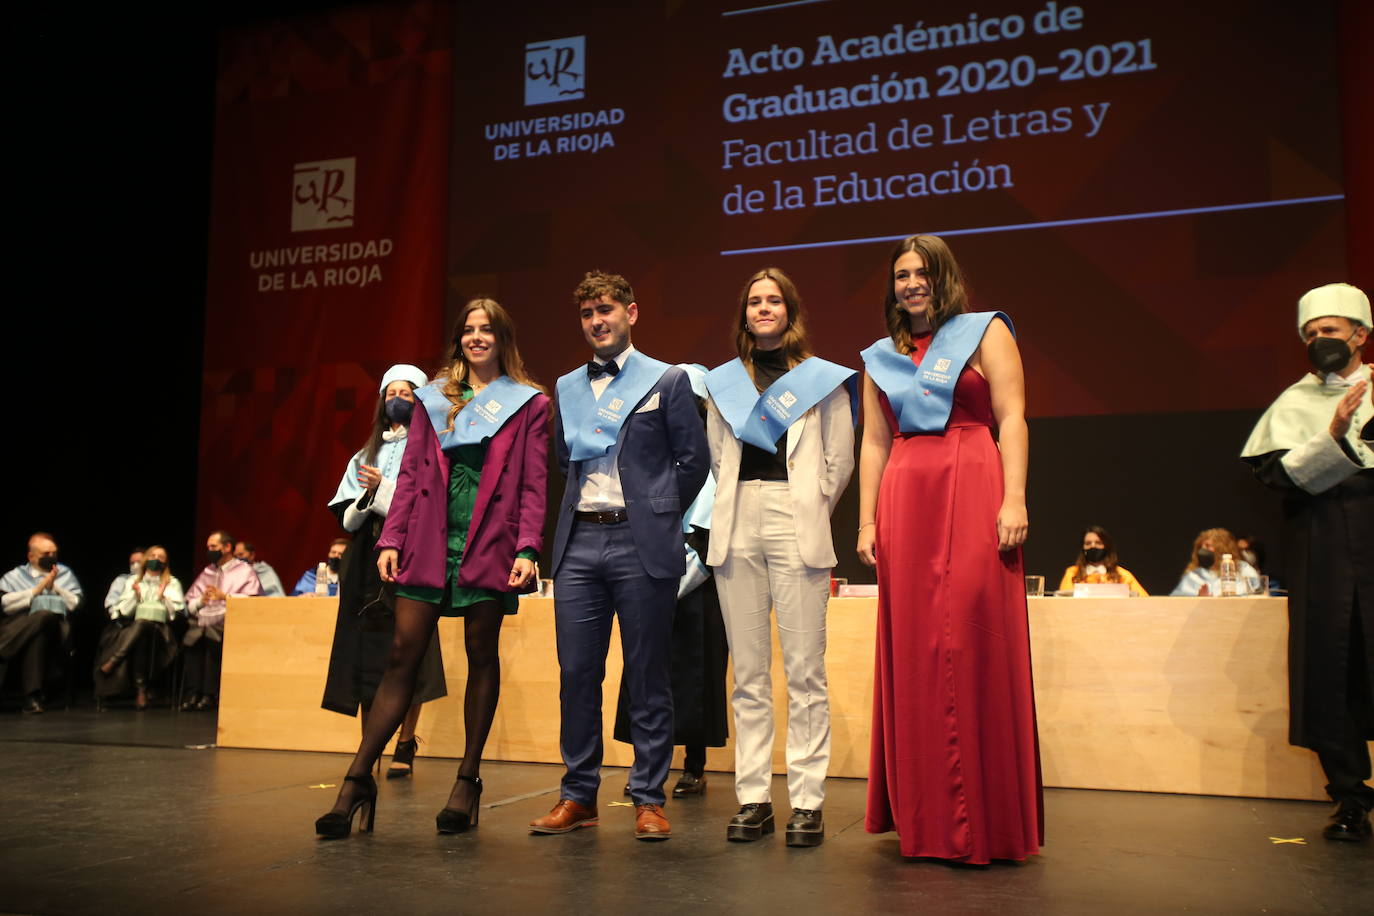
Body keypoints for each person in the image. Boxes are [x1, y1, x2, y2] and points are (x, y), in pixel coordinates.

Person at [315, 298, 548, 839]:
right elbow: (416, 469)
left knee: (481, 654)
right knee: (402, 655)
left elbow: (535, 484)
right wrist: (391, 537)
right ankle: (357, 781)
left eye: (486, 329)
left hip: (489, 537)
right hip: (427, 535)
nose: (475, 337)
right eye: (467, 329)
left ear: (503, 337)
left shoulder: (530, 403)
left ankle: (467, 781)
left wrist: (528, 548)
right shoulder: (431, 399)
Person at [857, 234, 1042, 863]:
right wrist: (864, 522)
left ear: (945, 278)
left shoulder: (985, 332)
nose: (912, 283)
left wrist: (1014, 498)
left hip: (974, 479)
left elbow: (1012, 415)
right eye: (902, 274)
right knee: (915, 649)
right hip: (907, 495)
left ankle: (983, 819)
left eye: (923, 272)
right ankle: (928, 818)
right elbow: (874, 443)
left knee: (968, 637)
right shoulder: (881, 356)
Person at [529, 271, 709, 843]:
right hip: (579, 542)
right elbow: (564, 462)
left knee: (647, 673)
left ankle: (648, 797)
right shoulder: (566, 386)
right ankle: (578, 795)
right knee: (577, 673)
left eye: (605, 310)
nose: (596, 322)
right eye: (586, 314)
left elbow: (694, 462)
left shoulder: (669, 379)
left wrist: (658, 513)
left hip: (641, 542)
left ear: (631, 312)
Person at [703, 268, 855, 846]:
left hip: (797, 520)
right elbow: (720, 459)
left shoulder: (821, 381)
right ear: (744, 313)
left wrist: (808, 504)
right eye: (754, 301)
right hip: (737, 517)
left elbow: (839, 461)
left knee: (804, 670)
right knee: (747, 674)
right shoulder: (723, 384)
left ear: (790, 310)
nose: (763, 308)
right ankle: (753, 798)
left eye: (773, 300)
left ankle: (809, 802)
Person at [1241, 282, 1373, 842]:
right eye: (1312, 334)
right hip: (1321, 543)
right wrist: (1334, 434)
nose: (1321, 341)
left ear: (1361, 335)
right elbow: (1273, 474)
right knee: (1329, 667)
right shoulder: (1294, 403)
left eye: (1331, 332)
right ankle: (1349, 797)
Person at [322, 363, 446, 780]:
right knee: (366, 650)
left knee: (411, 649)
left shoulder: (433, 449)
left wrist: (383, 491)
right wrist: (368, 496)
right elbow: (347, 520)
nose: (399, 399)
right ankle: (368, 746)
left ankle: (406, 740)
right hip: (365, 558)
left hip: (413, 552)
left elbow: (427, 508)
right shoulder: (364, 454)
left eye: (408, 394)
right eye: (392, 392)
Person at [612, 364, 728, 801]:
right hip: (649, 572)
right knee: (645, 669)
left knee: (698, 673)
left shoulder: (714, 462)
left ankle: (694, 765)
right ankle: (646, 763)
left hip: (700, 580)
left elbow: (710, 525)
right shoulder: (651, 457)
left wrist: (685, 570)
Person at [0, 533, 83, 714]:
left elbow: (74, 604)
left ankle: (2, 648)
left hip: (57, 628)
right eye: (45, 554)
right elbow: (5, 604)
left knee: (45, 616)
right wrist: (36, 590)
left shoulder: (65, 573)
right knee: (36, 634)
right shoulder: (16, 575)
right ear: (31, 557)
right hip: (21, 626)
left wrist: (53, 586)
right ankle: (32, 698)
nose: (51, 557)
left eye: (54, 553)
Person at [94, 546, 185, 709]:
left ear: (165, 562)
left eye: (160, 557)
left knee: (142, 625)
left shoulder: (172, 582)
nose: (156, 559)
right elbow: (124, 611)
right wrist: (136, 597)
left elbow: (174, 615)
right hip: (136, 628)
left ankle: (115, 660)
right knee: (141, 632)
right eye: (152, 555)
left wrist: (162, 596)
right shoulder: (132, 581)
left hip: (160, 631)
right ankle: (141, 690)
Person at [183, 529, 262, 710]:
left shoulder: (244, 571)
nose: (209, 550)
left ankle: (210, 694)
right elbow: (190, 606)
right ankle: (194, 692)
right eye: (208, 546)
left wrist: (225, 596)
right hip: (205, 621)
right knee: (193, 637)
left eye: (214, 546)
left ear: (227, 547)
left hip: (231, 624)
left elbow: (253, 601)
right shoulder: (208, 571)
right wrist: (201, 602)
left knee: (211, 634)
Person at [1058, 525, 1149, 596]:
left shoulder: (1122, 575)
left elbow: (1144, 601)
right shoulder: (1072, 573)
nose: (1093, 546)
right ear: (1083, 548)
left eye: (1098, 543)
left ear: (1106, 547)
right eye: (1088, 543)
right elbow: (1063, 602)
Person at [1169, 528, 1262, 596]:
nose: (1203, 550)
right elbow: (1177, 602)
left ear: (1222, 547)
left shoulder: (1243, 569)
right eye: (1201, 547)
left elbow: (1255, 593)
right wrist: (1199, 600)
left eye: (1208, 546)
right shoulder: (1195, 575)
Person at [103, 549, 145, 614]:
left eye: (139, 562)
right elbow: (110, 604)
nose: (135, 565)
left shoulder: (153, 581)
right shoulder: (122, 580)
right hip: (125, 620)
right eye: (132, 563)